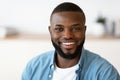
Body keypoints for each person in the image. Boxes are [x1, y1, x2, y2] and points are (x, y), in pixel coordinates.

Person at [22, 2, 120, 80]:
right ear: (50, 31)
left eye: (75, 28)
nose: (68, 36)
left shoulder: (105, 73)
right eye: (59, 29)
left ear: (84, 30)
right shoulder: (33, 68)